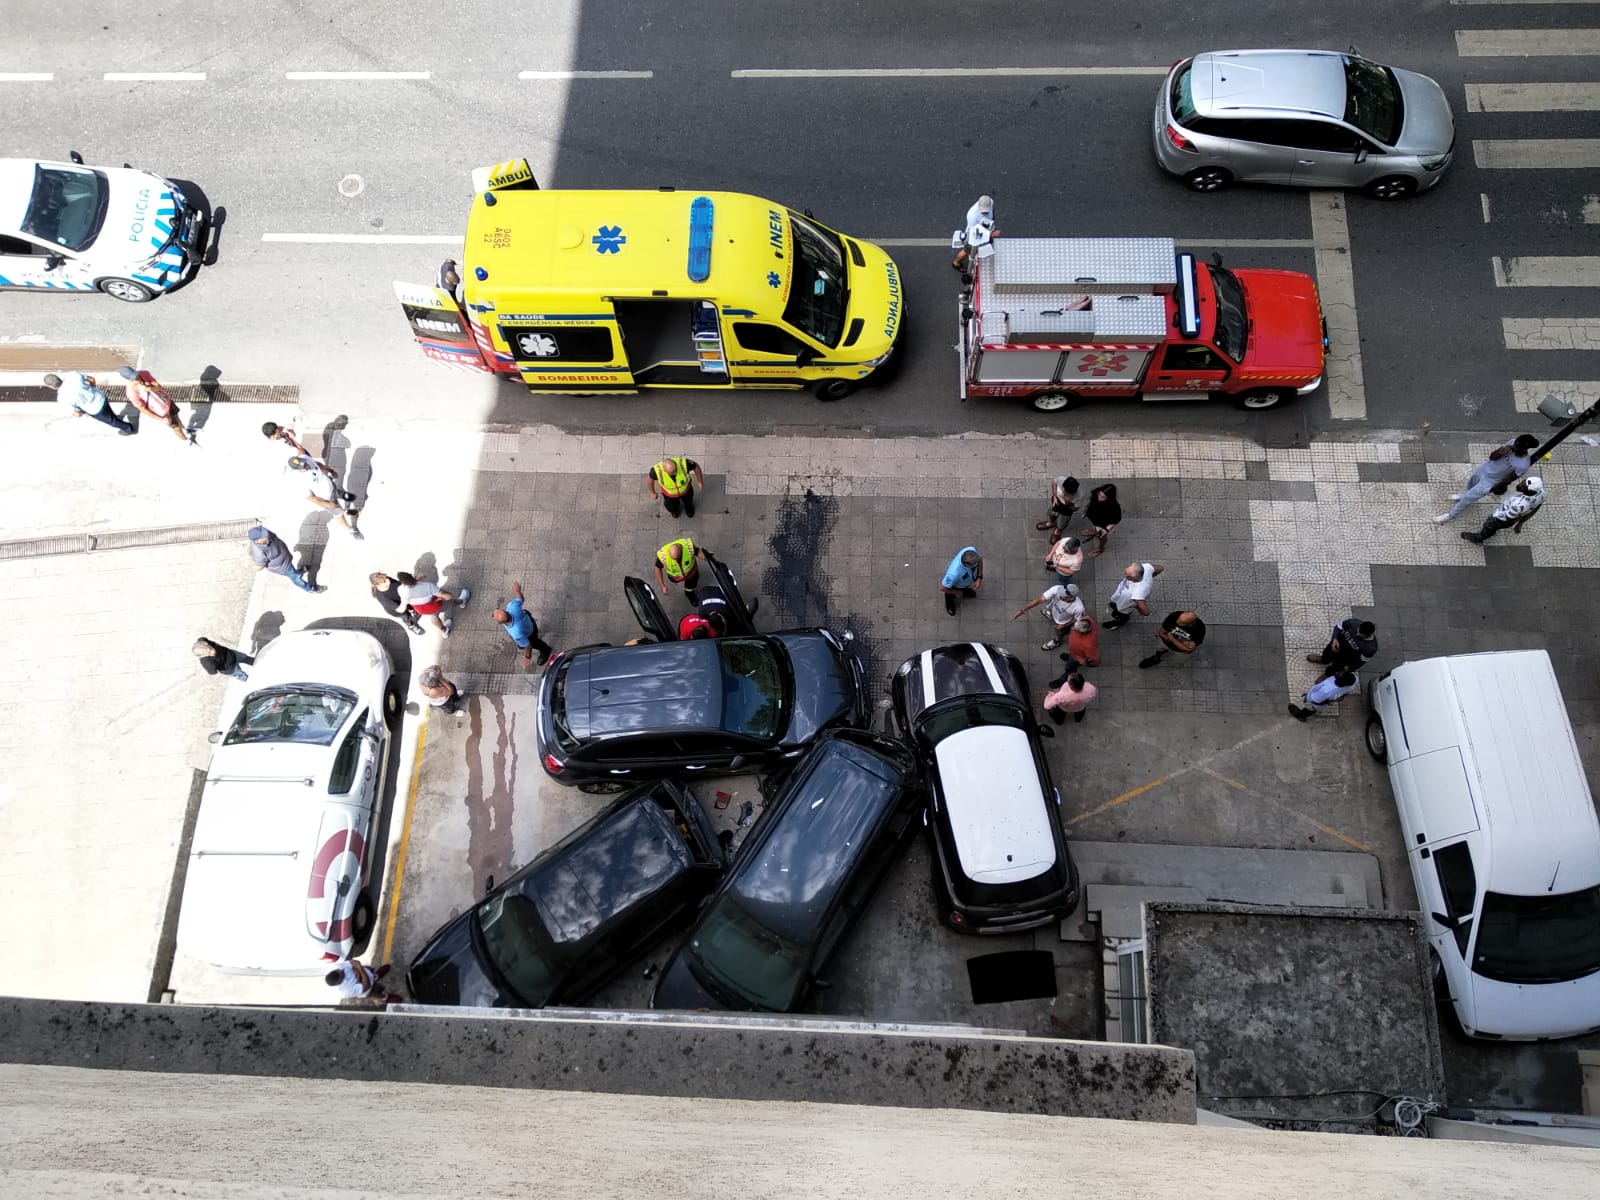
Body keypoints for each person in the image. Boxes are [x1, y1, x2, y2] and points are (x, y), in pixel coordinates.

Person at [1434, 434, 1540, 523]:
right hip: (1484, 468)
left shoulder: (1523, 464)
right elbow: (1492, 457)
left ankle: (1451, 515)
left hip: (1490, 482)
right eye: (1514, 444)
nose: (1513, 447)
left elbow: (1509, 479)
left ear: (1523, 449)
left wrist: (1493, 488)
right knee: (1471, 483)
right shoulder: (1512, 442)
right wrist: (1502, 451)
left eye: (1516, 447)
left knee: (1468, 498)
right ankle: (1463, 495)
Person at [287, 455, 363, 539]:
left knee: (336, 491)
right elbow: (311, 498)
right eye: (303, 467)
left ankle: (341, 495)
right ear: (296, 469)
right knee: (338, 514)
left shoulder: (305, 458)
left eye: (304, 463)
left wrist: (331, 471)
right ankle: (350, 530)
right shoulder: (298, 482)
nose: (306, 465)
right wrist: (328, 504)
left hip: (331, 486)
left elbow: (317, 464)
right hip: (326, 498)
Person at [1462, 475, 1545, 544]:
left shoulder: (1518, 504)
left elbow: (1507, 518)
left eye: (1523, 486)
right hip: (1514, 517)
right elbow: (1535, 509)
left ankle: (1478, 538)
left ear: (1529, 491)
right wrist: (1520, 522)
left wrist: (1493, 521)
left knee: (1488, 527)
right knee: (1494, 527)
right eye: (1523, 481)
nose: (1520, 484)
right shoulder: (1542, 493)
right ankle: (1493, 530)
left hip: (1500, 519)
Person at [45, 371, 134, 435]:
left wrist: (81, 412)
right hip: (101, 397)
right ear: (58, 377)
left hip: (95, 410)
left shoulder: (62, 398)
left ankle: (128, 429)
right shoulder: (73, 375)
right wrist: (93, 389)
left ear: (52, 387)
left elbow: (77, 414)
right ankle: (115, 417)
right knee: (109, 413)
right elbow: (91, 379)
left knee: (112, 422)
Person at [118, 367, 189, 443]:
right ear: (129, 379)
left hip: (167, 400)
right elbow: (143, 410)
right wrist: (161, 419)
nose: (138, 379)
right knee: (176, 428)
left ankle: (184, 429)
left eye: (137, 375)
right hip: (161, 411)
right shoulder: (131, 392)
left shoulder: (144, 373)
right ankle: (186, 441)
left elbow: (159, 387)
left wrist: (150, 389)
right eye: (135, 379)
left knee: (176, 415)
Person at [493, 580, 554, 667]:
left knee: (535, 643)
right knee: (525, 642)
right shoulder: (511, 607)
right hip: (530, 622)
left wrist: (527, 656)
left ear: (500, 623)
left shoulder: (516, 633)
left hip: (529, 634)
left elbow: (528, 645)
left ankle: (545, 650)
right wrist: (517, 592)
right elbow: (521, 599)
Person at [247, 524, 324, 593]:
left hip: (286, 559)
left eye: (265, 533)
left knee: (293, 571)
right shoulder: (258, 553)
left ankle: (299, 572)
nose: (267, 535)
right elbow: (260, 566)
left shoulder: (266, 534)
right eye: (264, 536)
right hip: (283, 567)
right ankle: (310, 589)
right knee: (296, 578)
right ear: (257, 541)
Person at [1013, 582, 1084, 651]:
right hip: (1054, 611)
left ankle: (1057, 641)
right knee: (1051, 613)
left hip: (1063, 621)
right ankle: (1049, 614)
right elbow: (1040, 599)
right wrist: (1023, 610)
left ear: (1070, 598)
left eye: (1062, 596)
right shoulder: (1057, 589)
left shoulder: (1079, 608)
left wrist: (1063, 625)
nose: (1059, 595)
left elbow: (1077, 620)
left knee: (1058, 631)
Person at [397, 572, 469, 637]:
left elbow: (411, 591)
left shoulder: (400, 590)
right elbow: (447, 596)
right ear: (411, 576)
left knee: (434, 617)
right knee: (450, 602)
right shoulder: (428, 586)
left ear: (403, 583)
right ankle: (462, 602)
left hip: (423, 610)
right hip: (435, 605)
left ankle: (444, 631)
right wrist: (446, 596)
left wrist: (416, 580)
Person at [1307, 618, 1377, 680]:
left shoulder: (1371, 648)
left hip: (1346, 658)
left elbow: (1361, 661)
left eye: (1360, 635)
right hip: (1336, 645)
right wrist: (1334, 639)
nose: (1357, 634)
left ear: (1368, 635)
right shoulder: (1353, 623)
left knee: (1336, 667)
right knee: (1327, 653)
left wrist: (1350, 668)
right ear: (1360, 624)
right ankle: (1323, 660)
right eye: (1357, 631)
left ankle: (1327, 674)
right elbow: (1338, 627)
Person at [1140, 610, 1206, 669]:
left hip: (1180, 652)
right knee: (1159, 650)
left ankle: (1165, 659)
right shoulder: (1175, 616)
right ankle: (1156, 659)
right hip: (1165, 643)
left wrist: (1172, 639)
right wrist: (1182, 643)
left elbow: (1188, 650)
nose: (1177, 622)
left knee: (1176, 660)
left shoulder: (1200, 629)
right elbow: (1161, 633)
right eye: (1178, 619)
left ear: (1190, 624)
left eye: (1180, 623)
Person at [1104, 561, 1161, 629]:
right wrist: (1150, 577)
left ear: (1133, 578)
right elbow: (1160, 568)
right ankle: (1116, 607)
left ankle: (1118, 623)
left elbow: (1146, 612)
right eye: (1126, 571)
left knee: (1122, 615)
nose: (1124, 575)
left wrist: (1137, 606)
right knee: (1116, 604)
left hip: (1124, 607)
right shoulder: (1144, 568)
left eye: (1126, 574)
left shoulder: (1138, 592)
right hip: (1120, 597)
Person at [1289, 671, 1360, 721]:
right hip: (1322, 697)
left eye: (1339, 674)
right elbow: (1345, 693)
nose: (1337, 672)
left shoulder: (1327, 690)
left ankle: (1301, 715)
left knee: (1308, 708)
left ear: (1338, 681)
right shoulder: (1353, 681)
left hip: (1313, 701)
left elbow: (1314, 700)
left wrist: (1308, 699)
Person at [655, 537, 706, 604]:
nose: (676, 561)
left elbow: (697, 552)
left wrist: (705, 557)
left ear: (680, 551)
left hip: (691, 573)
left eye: (677, 558)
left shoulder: (688, 547)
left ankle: (689, 594)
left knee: (691, 585)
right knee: (682, 581)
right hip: (676, 577)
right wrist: (662, 585)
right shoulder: (663, 556)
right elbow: (657, 568)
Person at [1078, 484, 1122, 559]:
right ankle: (1095, 532)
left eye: (1103, 497)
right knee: (1096, 528)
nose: (1099, 497)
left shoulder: (1114, 507)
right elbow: (1091, 500)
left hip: (1103, 524)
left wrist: (1106, 529)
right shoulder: (1096, 493)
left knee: (1102, 537)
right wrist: (1087, 508)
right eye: (1099, 494)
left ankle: (1100, 549)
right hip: (1094, 518)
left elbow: (1116, 520)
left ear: (1109, 498)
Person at [940, 546, 984, 616]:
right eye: (975, 563)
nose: (978, 562)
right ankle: (949, 605)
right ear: (968, 565)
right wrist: (956, 592)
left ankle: (966, 592)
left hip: (967, 583)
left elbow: (980, 560)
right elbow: (943, 588)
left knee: (967, 590)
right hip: (956, 586)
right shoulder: (953, 574)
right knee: (949, 596)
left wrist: (979, 577)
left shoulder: (972, 551)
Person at [324, 960, 394, 1002]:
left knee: (372, 972)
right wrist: (359, 969)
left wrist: (359, 977)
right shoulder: (345, 991)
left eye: (338, 970)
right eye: (342, 974)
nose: (342, 970)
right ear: (339, 982)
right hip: (369, 989)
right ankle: (385, 998)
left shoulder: (337, 967)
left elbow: (354, 961)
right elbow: (366, 986)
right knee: (377, 992)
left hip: (366, 973)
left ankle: (377, 975)